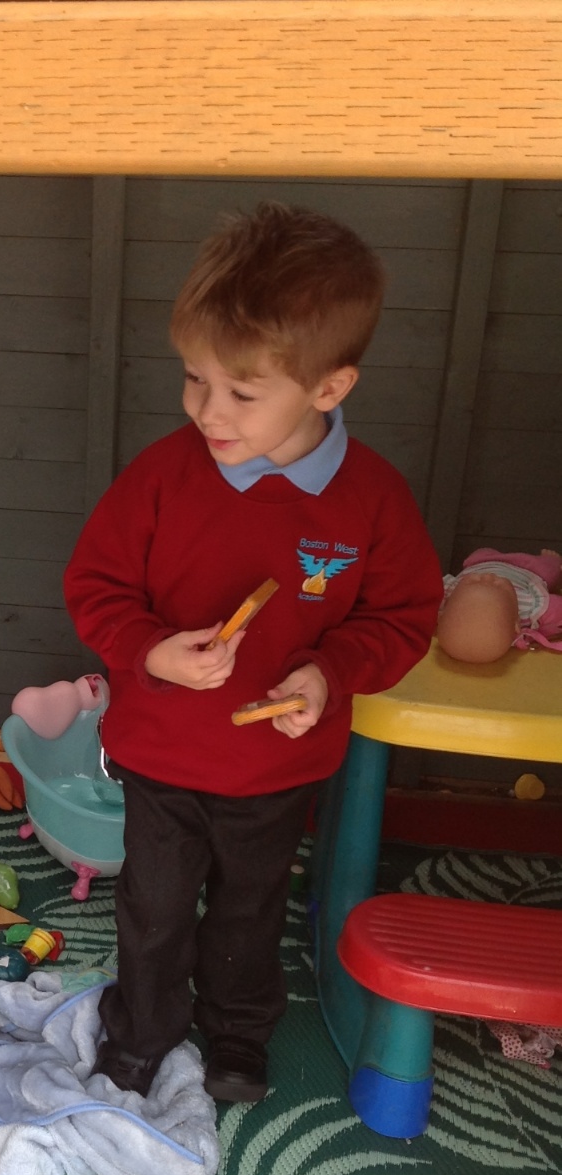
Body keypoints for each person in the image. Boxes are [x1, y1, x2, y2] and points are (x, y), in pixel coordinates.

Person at [64, 202, 443, 1105]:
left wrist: (330, 673)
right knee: (152, 910)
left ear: (328, 388)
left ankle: (237, 1032)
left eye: (241, 393)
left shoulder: (372, 500)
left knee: (249, 909)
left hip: (276, 768)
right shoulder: (160, 476)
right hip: (161, 754)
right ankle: (141, 1030)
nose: (206, 411)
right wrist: (150, 653)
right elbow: (94, 587)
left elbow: (402, 617)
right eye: (194, 379)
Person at [437, 548, 562, 662]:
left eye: (473, 583)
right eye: (497, 586)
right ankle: (550, 560)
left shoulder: (447, 591)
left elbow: (428, 593)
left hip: (481, 562)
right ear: (516, 624)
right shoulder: (531, 608)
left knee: (480, 552)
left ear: (441, 614)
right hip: (529, 569)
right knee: (551, 570)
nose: (489, 576)